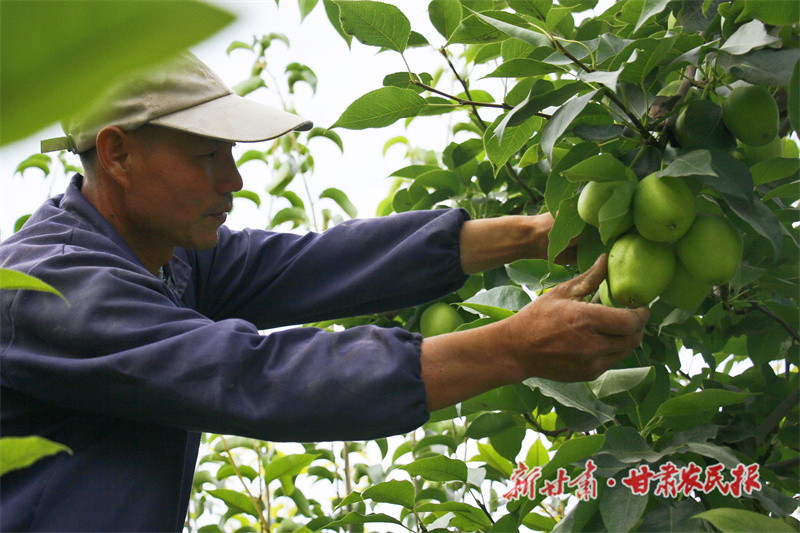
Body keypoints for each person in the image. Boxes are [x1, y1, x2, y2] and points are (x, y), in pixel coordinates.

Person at [0, 52, 649, 531]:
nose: (235, 179)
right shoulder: (50, 285)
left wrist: (532, 234)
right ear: (117, 155)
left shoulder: (167, 256)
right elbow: (254, 377)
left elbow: (317, 262)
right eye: (208, 157)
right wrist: (513, 348)